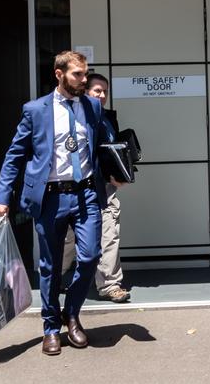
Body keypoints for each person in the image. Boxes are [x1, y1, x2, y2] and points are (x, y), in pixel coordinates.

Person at [0, 51, 121, 356]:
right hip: (51, 197)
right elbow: (14, 156)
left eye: (85, 73)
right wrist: (1, 198)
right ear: (59, 74)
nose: (84, 80)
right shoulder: (35, 110)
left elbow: (106, 142)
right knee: (50, 267)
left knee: (90, 257)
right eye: (78, 74)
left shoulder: (92, 106)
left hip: (86, 192)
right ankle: (51, 326)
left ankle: (72, 313)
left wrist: (120, 168)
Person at [62, 73, 130, 303]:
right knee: (68, 239)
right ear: (86, 91)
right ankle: (55, 275)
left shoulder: (108, 118)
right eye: (97, 91)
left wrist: (119, 172)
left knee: (109, 235)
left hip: (105, 189)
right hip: (77, 191)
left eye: (105, 92)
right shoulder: (75, 117)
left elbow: (112, 152)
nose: (102, 96)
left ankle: (110, 285)